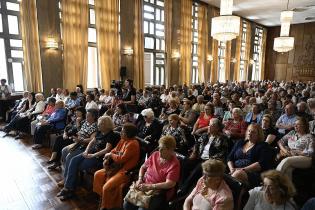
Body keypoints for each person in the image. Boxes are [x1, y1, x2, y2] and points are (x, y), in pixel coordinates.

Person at [57, 116, 120, 200]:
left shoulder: (112, 135)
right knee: (73, 160)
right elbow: (91, 142)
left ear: (106, 125)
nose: (98, 126)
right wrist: (86, 151)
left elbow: (107, 149)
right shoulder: (100, 132)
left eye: (100, 124)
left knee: (78, 166)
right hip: (90, 152)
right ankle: (68, 188)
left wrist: (93, 155)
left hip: (98, 157)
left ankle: (70, 188)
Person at [123, 135, 180, 210]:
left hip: (158, 191)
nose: (159, 151)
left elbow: (170, 183)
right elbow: (143, 167)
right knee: (127, 204)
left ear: (171, 150)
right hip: (144, 184)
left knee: (142, 209)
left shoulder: (174, 163)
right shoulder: (155, 154)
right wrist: (140, 179)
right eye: (159, 148)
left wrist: (151, 186)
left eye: (163, 149)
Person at [93, 123, 140, 210]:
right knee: (97, 175)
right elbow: (115, 150)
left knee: (107, 187)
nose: (120, 133)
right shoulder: (123, 140)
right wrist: (108, 157)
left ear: (128, 134)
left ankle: (106, 206)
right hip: (115, 167)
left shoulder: (133, 144)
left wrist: (110, 155)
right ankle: (103, 198)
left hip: (124, 171)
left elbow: (121, 159)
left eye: (122, 132)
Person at [180, 118, 230, 195]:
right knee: (185, 162)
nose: (209, 127)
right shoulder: (205, 135)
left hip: (210, 161)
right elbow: (197, 144)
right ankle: (181, 185)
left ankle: (184, 190)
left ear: (217, 128)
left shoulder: (222, 138)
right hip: (199, 158)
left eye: (212, 126)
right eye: (209, 125)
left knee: (198, 168)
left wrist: (210, 160)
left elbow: (222, 153)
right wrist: (194, 152)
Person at [58, 109, 98, 185]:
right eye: (86, 115)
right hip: (79, 143)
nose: (86, 116)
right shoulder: (86, 123)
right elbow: (80, 131)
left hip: (85, 146)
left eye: (88, 116)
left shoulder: (95, 126)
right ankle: (72, 173)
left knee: (69, 156)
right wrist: (77, 136)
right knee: (64, 150)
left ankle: (67, 179)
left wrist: (80, 139)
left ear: (94, 117)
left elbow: (92, 139)